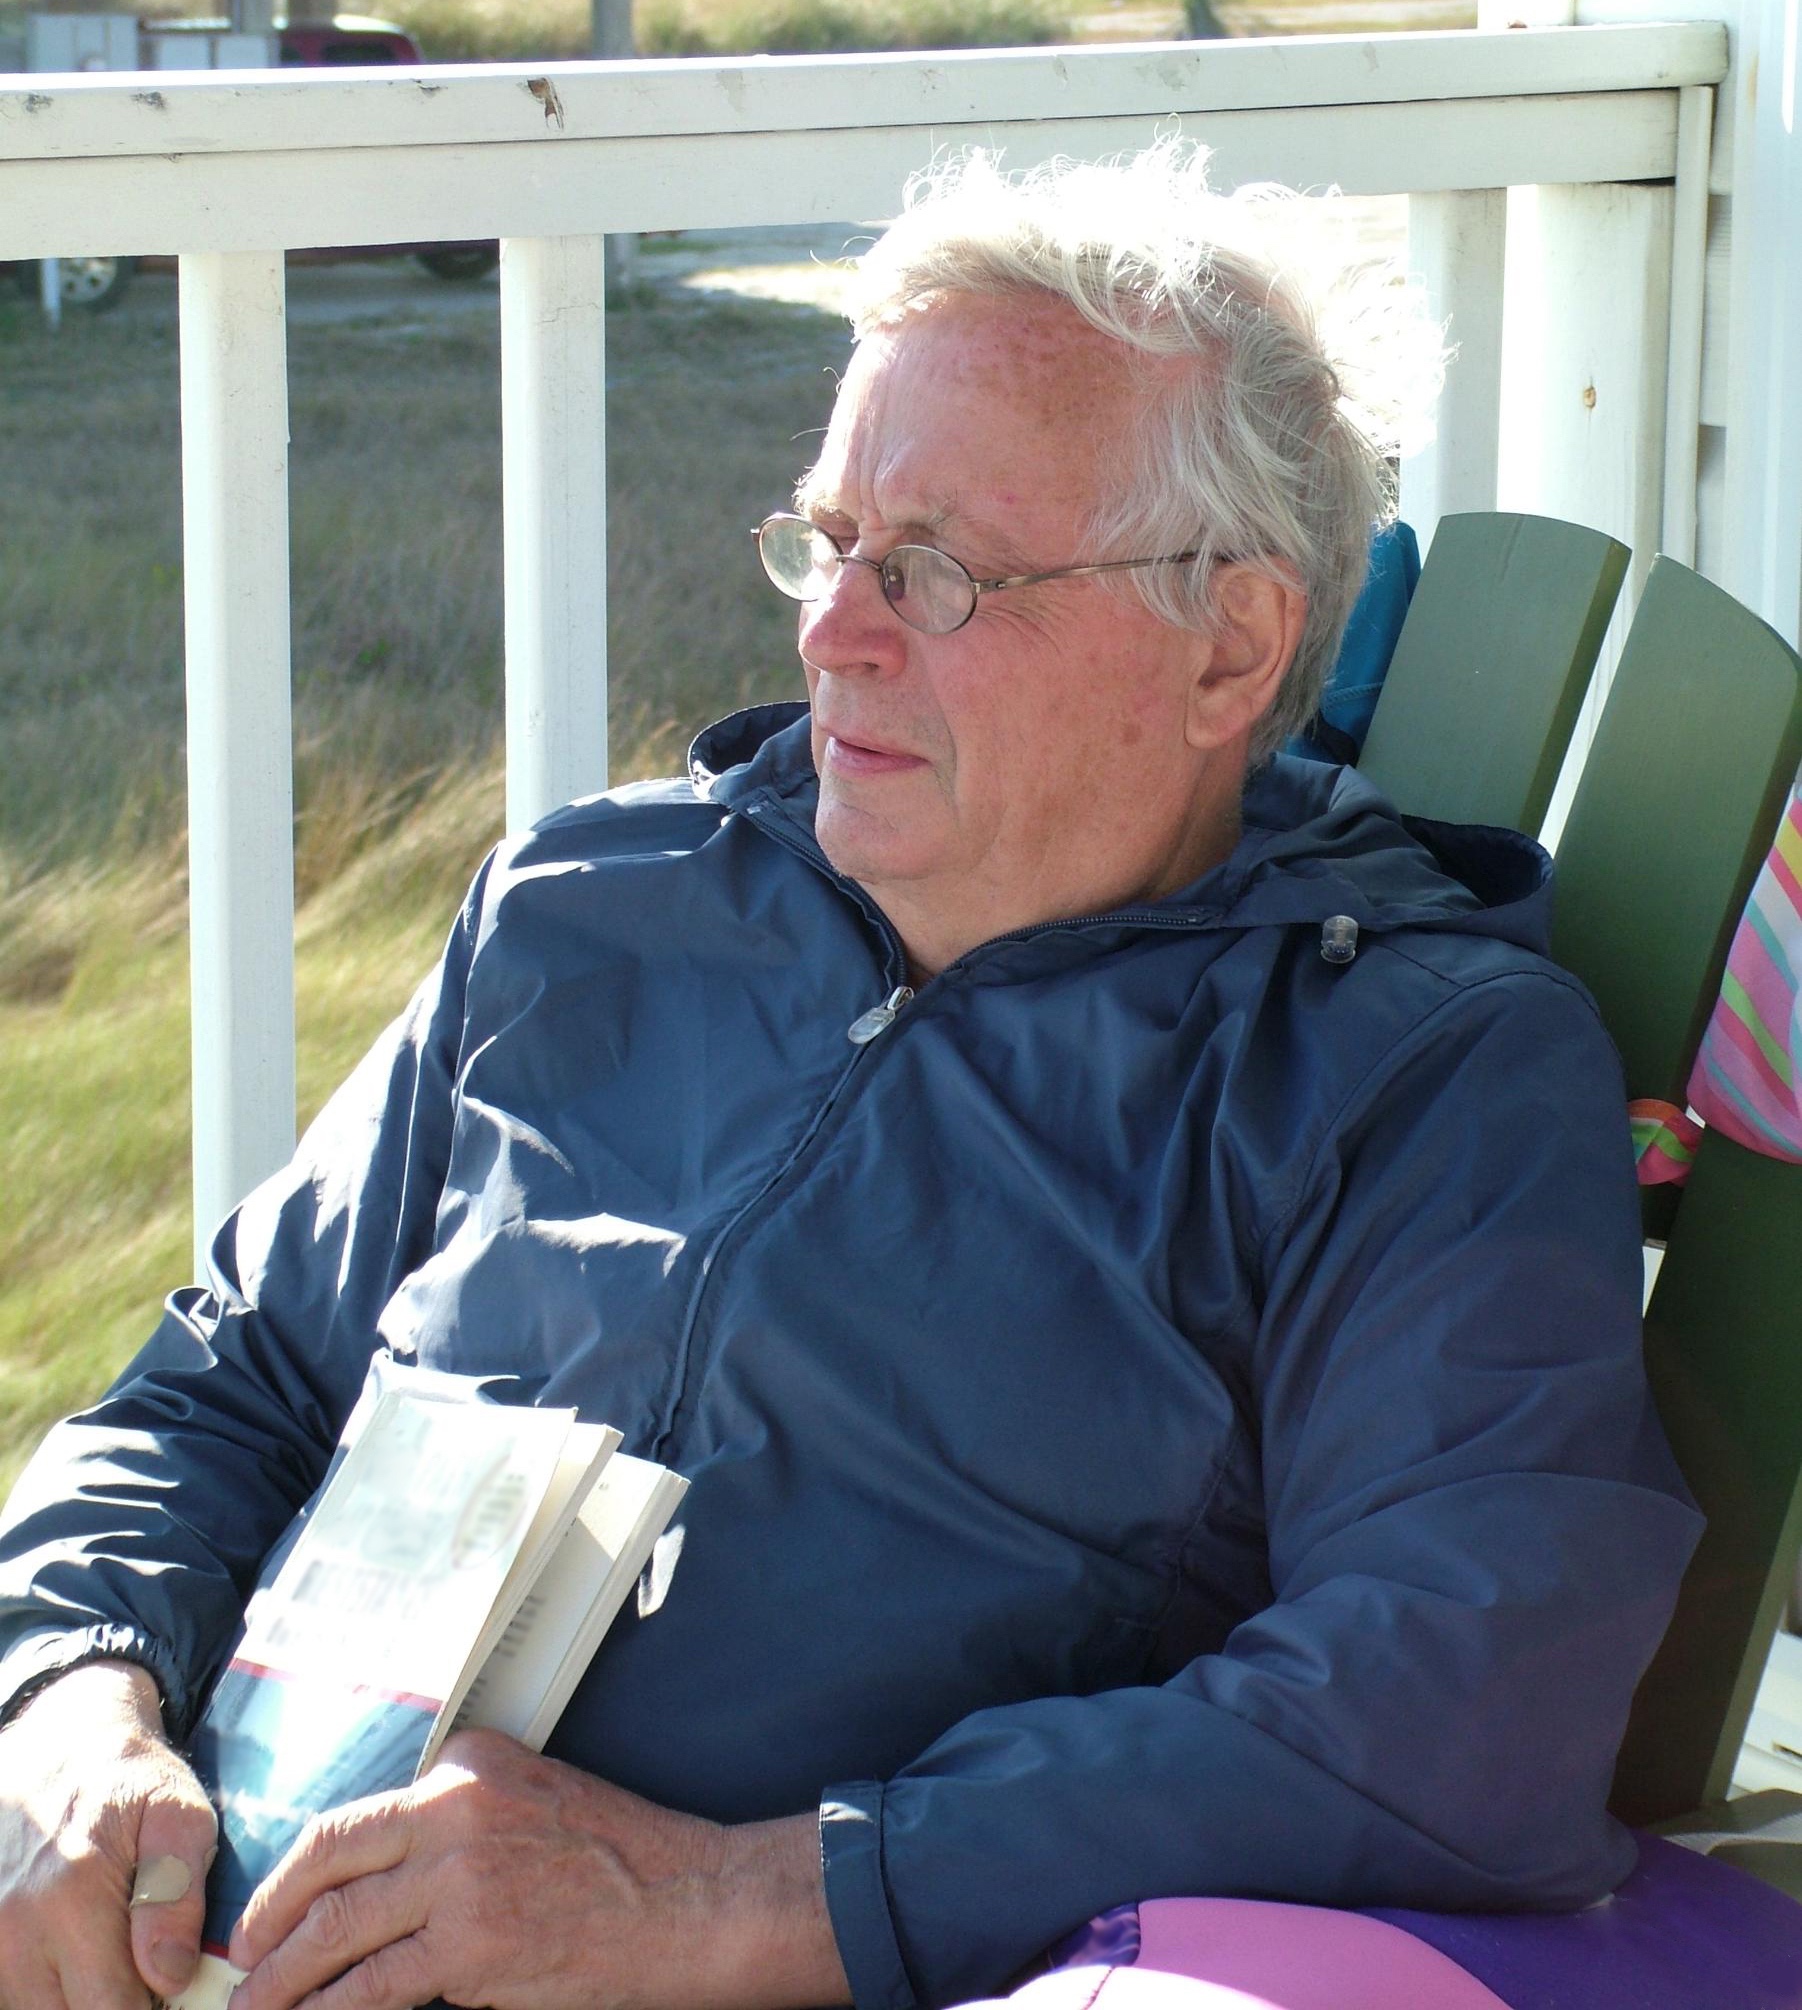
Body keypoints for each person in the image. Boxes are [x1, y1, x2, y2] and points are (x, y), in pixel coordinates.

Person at [0, 143, 1700, 2010]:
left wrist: (726, 1903)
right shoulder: (590, 903)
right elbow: (233, 1373)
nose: (831, 631)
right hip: (217, 1917)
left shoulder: (1395, 1074)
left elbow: (1460, 1693)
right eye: (829, 543)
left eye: (940, 573)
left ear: (1228, 646)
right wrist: (76, 1706)